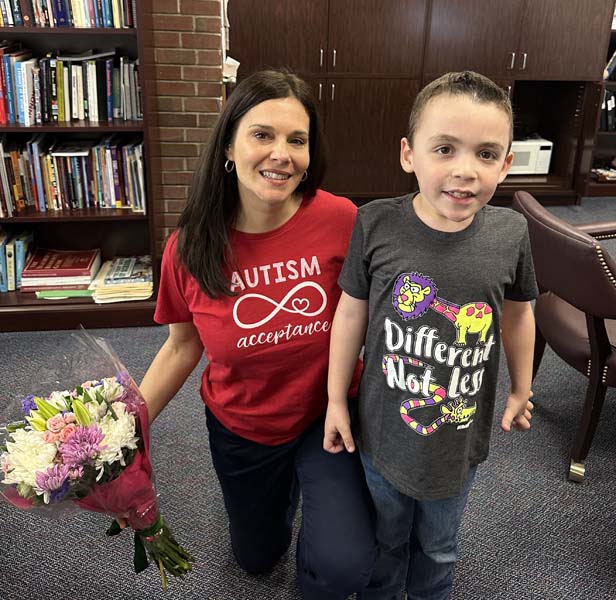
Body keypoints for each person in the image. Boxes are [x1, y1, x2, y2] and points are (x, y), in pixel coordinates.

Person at [139, 69, 376, 599]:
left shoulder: (342, 220)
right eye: (262, 135)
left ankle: (321, 499)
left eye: (297, 139)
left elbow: (376, 314)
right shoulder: (190, 247)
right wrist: (129, 427)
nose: (281, 154)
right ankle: (282, 501)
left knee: (342, 566)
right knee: (257, 560)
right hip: (243, 427)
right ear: (228, 144)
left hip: (330, 416)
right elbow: (181, 346)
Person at [323, 71, 538, 600]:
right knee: (387, 537)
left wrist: (521, 387)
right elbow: (349, 315)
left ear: (506, 164)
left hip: (457, 440)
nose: (465, 171)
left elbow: (518, 315)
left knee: (440, 545)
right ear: (408, 154)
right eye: (444, 148)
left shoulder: (511, 234)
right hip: (381, 433)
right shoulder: (374, 224)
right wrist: (334, 400)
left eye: (487, 155)